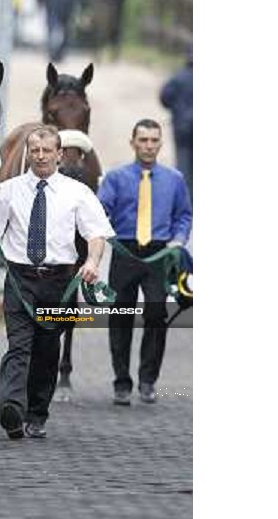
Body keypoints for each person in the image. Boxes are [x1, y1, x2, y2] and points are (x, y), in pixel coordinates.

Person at [0, 125, 114, 439]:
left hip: (59, 282)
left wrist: (92, 261)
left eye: (46, 150)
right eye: (34, 150)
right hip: (19, 278)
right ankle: (12, 408)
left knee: (48, 349)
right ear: (28, 153)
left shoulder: (77, 192)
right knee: (19, 345)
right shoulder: (8, 190)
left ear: (59, 154)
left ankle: (37, 413)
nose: (39, 156)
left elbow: (95, 233)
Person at [97, 119, 192, 405]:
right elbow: (100, 210)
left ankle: (148, 380)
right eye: (143, 140)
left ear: (160, 144)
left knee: (156, 315)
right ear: (133, 143)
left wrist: (178, 239)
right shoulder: (116, 178)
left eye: (154, 140)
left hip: (160, 254)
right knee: (120, 316)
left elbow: (184, 215)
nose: (149, 146)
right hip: (126, 252)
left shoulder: (174, 179)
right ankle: (122, 382)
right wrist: (106, 233)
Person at [160, 47, 193, 200]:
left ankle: (185, 201)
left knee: (184, 164)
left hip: (182, 128)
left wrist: (175, 108)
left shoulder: (177, 78)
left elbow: (164, 97)